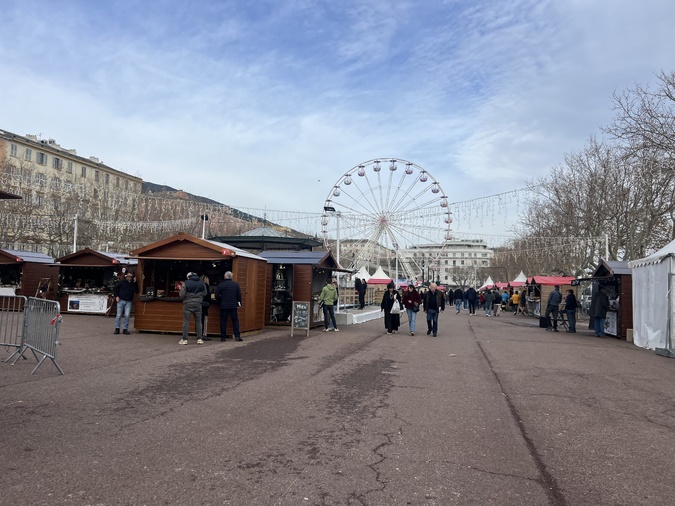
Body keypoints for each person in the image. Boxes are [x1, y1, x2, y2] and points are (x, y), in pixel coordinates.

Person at [179, 272, 207, 345]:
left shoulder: (186, 283)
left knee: (186, 321)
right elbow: (205, 293)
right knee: (198, 321)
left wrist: (186, 297)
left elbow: (181, 294)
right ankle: (199, 339)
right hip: (198, 304)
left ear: (189, 277)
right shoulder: (202, 283)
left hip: (187, 304)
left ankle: (185, 339)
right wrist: (199, 297)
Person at [215, 271, 243, 341]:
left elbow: (217, 296)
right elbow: (239, 295)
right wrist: (239, 303)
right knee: (235, 321)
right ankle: (237, 336)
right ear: (231, 277)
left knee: (223, 321)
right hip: (233, 305)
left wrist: (220, 301)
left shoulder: (221, 285)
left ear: (225, 277)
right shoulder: (236, 285)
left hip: (223, 305)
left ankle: (223, 337)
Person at [113, 270, 138, 335]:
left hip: (128, 301)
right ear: (126, 276)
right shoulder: (122, 282)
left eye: (131, 277)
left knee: (127, 315)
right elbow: (115, 288)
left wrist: (135, 282)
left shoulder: (133, 283)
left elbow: (136, 291)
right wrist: (116, 296)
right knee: (118, 315)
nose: (130, 278)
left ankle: (125, 329)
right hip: (121, 300)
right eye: (129, 276)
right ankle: (117, 329)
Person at [200, 273, 212, 341]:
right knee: (204, 319)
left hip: (198, 304)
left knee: (199, 319)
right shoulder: (206, 286)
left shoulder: (198, 285)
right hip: (204, 305)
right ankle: (204, 334)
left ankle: (199, 334)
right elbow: (208, 296)